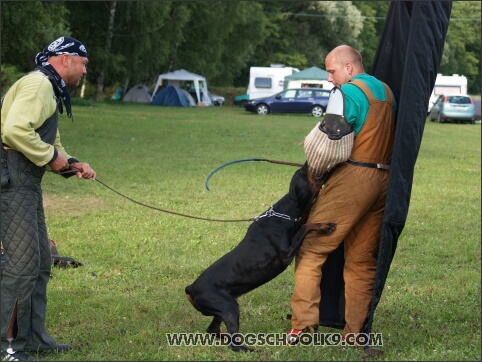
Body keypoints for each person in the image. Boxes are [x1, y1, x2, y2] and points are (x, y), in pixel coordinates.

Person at [287, 45, 396, 341]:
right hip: (384, 180)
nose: (329, 79)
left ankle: (302, 326)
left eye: (332, 71)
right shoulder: (385, 92)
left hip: (353, 180)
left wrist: (315, 175)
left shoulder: (345, 93)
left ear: (349, 68)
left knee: (310, 250)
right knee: (362, 261)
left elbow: (330, 143)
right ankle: (355, 331)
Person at [1, 36, 96, 361]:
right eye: (83, 62)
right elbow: (14, 131)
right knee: (22, 267)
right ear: (66, 59)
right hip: (11, 180)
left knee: (41, 262)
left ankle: (36, 338)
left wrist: (70, 164)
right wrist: (51, 156)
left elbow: (48, 140)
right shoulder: (39, 84)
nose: (85, 69)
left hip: (25, 182)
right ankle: (10, 346)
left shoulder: (49, 88)